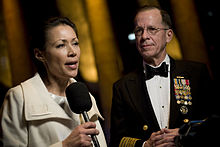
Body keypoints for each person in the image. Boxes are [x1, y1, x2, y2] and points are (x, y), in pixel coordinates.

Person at [110, 5, 215, 147]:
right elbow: (117, 141)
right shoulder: (123, 87)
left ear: (168, 35)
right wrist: (145, 145)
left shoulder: (196, 73)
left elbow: (215, 122)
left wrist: (183, 134)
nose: (144, 36)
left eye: (152, 29)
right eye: (139, 31)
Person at [0, 17, 107, 147]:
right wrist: (65, 145)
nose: (72, 52)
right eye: (61, 45)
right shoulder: (19, 97)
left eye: (75, 43)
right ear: (40, 54)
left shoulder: (86, 97)